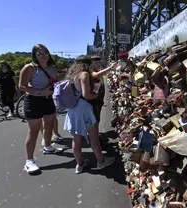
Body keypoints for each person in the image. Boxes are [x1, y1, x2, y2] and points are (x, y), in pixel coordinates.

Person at [64, 55, 115, 174]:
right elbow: (87, 95)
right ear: (87, 64)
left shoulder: (72, 75)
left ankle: (79, 164)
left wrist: (109, 68)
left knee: (76, 139)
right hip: (84, 108)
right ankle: (101, 161)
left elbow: (96, 75)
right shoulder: (85, 75)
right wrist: (96, 95)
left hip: (73, 109)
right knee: (93, 137)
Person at [19, 44, 59, 174]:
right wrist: (41, 92)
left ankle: (47, 146)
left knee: (49, 124)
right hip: (34, 101)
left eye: (45, 53)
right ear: (34, 56)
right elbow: (22, 86)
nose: (43, 56)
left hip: (48, 100)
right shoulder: (29, 68)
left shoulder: (52, 68)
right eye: (39, 54)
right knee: (34, 130)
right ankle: (29, 161)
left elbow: (55, 83)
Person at [88, 55, 117, 138]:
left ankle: (95, 135)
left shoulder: (97, 70)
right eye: (96, 62)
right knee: (94, 119)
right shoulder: (91, 71)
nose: (98, 64)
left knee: (97, 118)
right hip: (94, 100)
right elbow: (96, 75)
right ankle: (94, 136)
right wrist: (110, 68)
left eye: (99, 62)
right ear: (90, 64)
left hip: (99, 99)